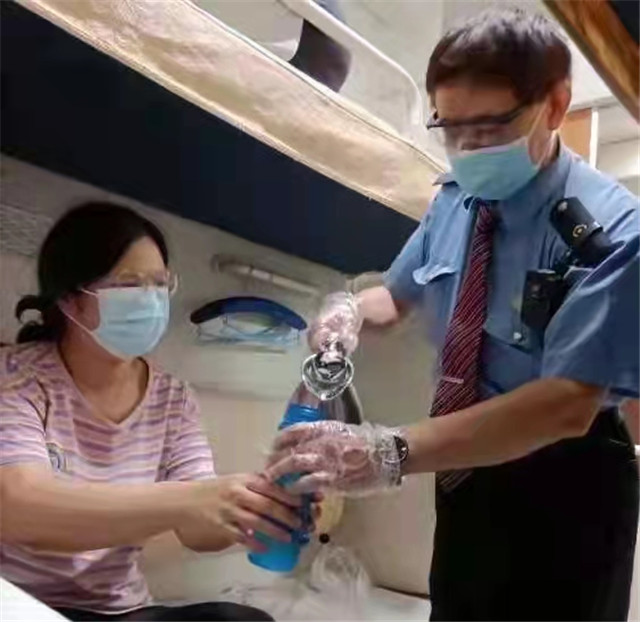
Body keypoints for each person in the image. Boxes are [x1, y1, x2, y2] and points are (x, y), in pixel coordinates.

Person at [266, 8, 640, 621]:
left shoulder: (614, 230)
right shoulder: (454, 203)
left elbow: (568, 403)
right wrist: (349, 309)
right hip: (464, 464)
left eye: (488, 128)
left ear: (554, 104)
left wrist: (387, 451)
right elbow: (397, 295)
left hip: (568, 480)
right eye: (450, 128)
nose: (467, 149)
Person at [0, 202, 307, 621]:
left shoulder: (172, 398)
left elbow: (199, 531)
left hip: (118, 610)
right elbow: (21, 510)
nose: (150, 300)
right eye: (129, 285)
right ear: (71, 300)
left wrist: (256, 505)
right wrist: (187, 499)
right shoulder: (15, 375)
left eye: (160, 283)